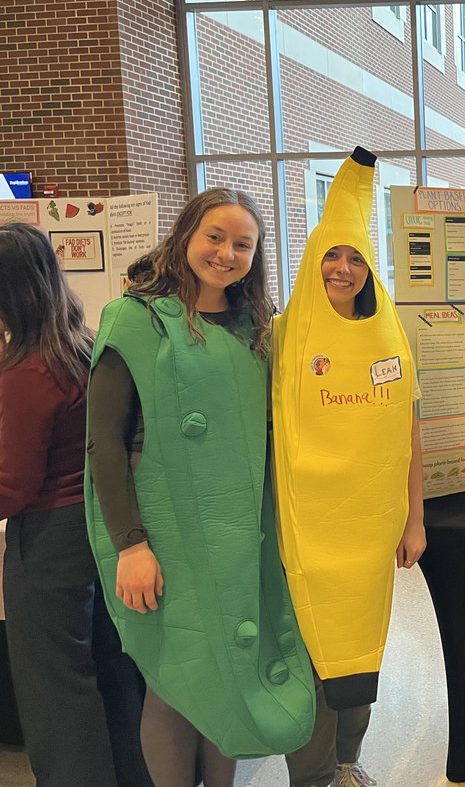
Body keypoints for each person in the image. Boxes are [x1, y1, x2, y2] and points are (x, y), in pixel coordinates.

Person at [85, 189, 316, 786]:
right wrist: (131, 545)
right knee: (175, 678)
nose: (226, 252)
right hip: (169, 534)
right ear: (186, 234)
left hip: (239, 533)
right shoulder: (134, 319)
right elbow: (104, 444)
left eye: (243, 243)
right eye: (215, 236)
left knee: (229, 671)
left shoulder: (253, 328)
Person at [273, 147, 425, 787]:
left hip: (369, 528)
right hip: (305, 529)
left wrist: (413, 519)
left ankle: (347, 762)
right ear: (314, 260)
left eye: (355, 257)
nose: (342, 268)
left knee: (361, 644)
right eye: (331, 254)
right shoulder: (284, 336)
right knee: (310, 651)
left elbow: (411, 437)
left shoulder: (390, 337)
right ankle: (309, 776)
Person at [0, 223, 151, 787]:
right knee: (109, 670)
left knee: (53, 690)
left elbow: (14, 485)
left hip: (47, 542)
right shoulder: (84, 346)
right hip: (98, 526)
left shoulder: (25, 371)